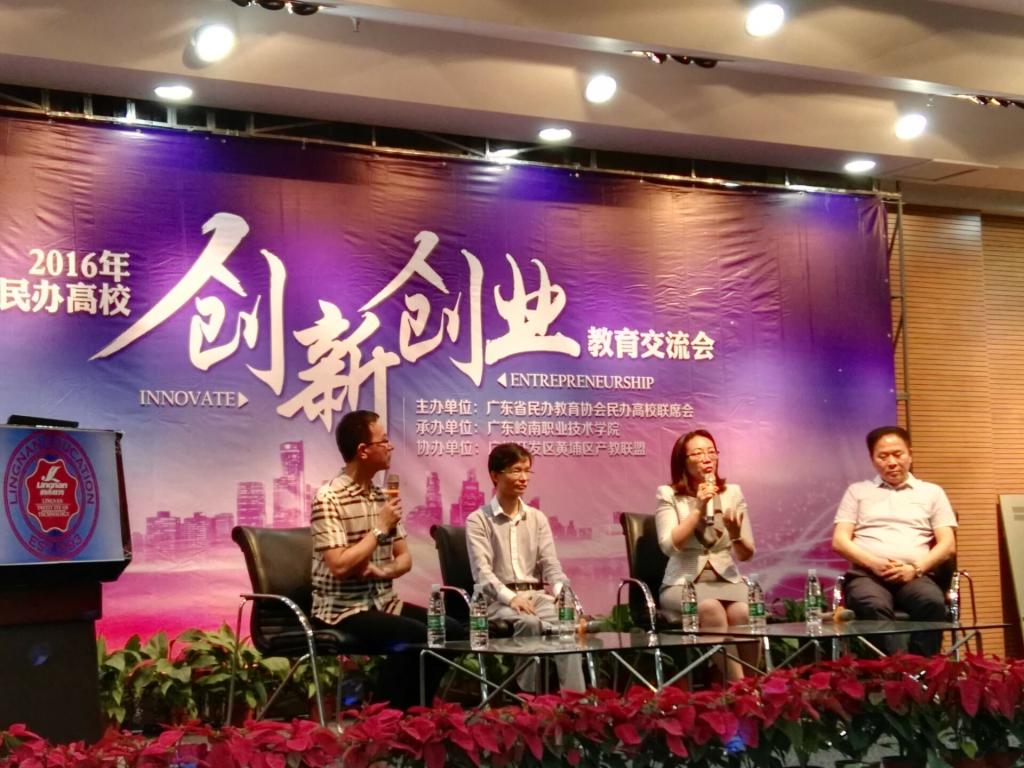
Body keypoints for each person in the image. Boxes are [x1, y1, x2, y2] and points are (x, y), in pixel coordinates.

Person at [310, 409, 462, 709]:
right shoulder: (328, 498)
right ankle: (385, 716)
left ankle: (415, 710)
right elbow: (339, 565)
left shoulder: (382, 497)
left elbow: (404, 560)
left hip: (384, 603)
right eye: (384, 441)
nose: (390, 447)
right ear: (363, 450)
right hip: (341, 610)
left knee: (453, 631)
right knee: (416, 635)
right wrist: (379, 528)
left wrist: (382, 572)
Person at [465, 443, 586, 693]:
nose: (523, 478)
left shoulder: (537, 518)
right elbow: (482, 573)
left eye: (527, 471)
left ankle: (575, 699)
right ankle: (527, 698)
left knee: (566, 621)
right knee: (529, 623)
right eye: (516, 470)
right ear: (495, 476)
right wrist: (511, 598)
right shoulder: (478, 520)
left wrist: (562, 593)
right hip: (498, 601)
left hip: (537, 596)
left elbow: (550, 564)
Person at [832, 425, 956, 656]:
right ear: (872, 459)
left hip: (915, 574)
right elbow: (840, 541)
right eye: (883, 456)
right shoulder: (857, 492)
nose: (891, 462)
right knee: (872, 605)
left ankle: (923, 669)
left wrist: (915, 569)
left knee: (931, 602)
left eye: (898, 454)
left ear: (910, 454)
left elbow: (947, 544)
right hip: (868, 575)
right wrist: (873, 563)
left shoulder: (932, 492)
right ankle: (894, 670)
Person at [655, 429, 756, 680]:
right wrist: (699, 508)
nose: (707, 458)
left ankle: (752, 684)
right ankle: (739, 688)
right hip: (683, 583)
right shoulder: (668, 494)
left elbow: (746, 554)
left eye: (711, 452)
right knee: (711, 609)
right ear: (683, 461)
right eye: (698, 453)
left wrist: (735, 535)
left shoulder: (732, 492)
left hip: (727, 579)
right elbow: (669, 546)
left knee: (743, 613)